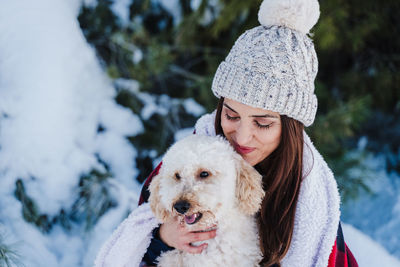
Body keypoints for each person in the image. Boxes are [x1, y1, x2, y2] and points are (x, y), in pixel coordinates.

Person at [95, 0, 359, 266]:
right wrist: (163, 239)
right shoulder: (187, 158)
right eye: (231, 115)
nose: (242, 138)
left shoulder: (310, 197)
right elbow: (135, 244)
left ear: (289, 127)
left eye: (263, 123)